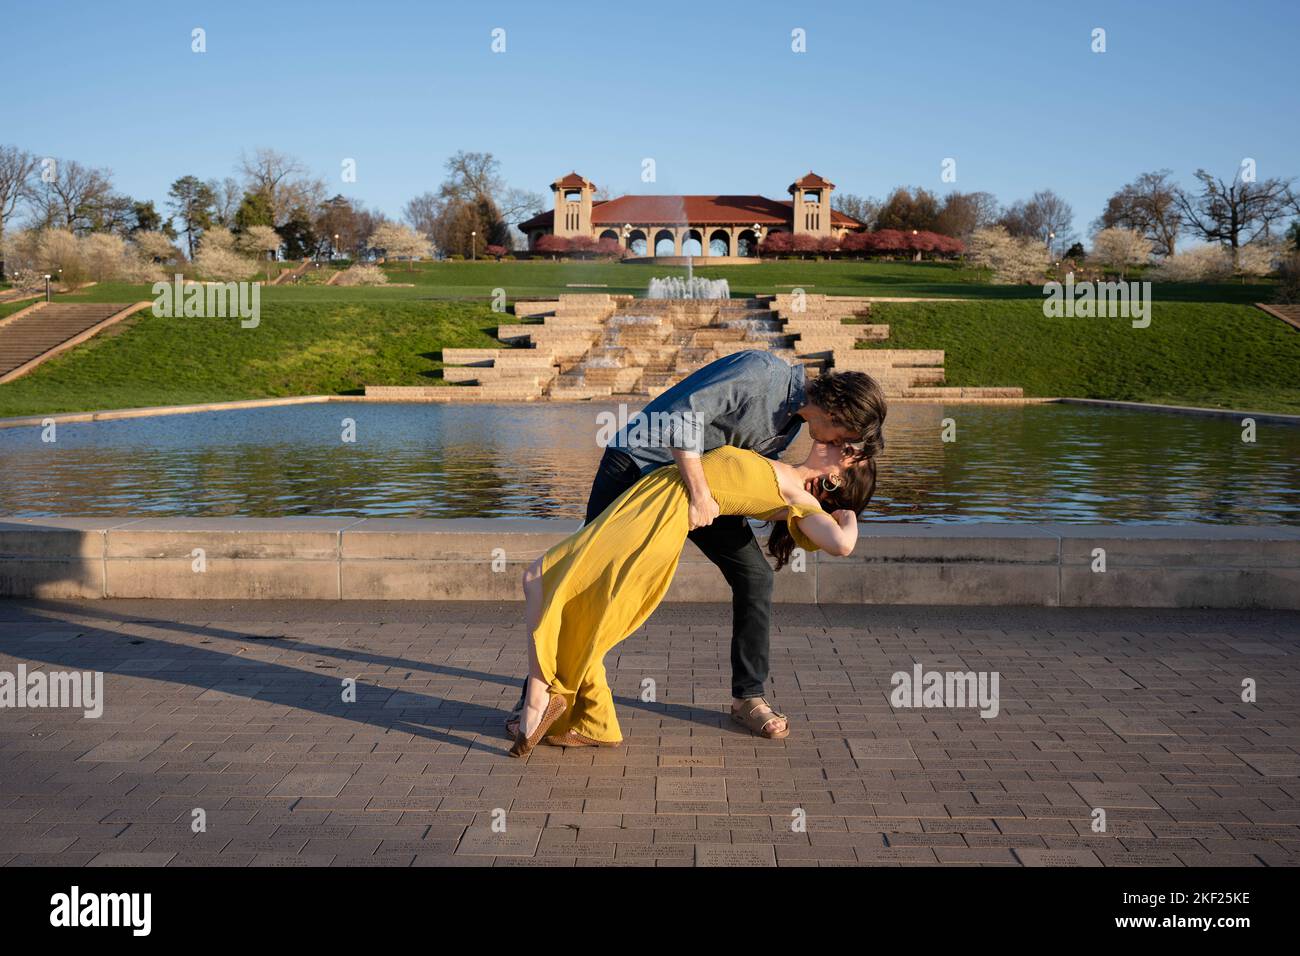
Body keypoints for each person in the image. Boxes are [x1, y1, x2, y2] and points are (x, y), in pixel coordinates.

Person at [506, 349, 888, 740]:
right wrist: (703, 493)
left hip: (695, 492)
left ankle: (748, 698)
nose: (844, 449)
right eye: (848, 441)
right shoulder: (762, 373)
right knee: (584, 581)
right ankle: (538, 698)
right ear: (838, 414)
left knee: (755, 577)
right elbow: (684, 416)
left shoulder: (792, 421)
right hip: (637, 468)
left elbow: (746, 474)